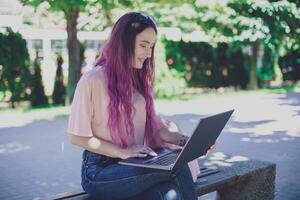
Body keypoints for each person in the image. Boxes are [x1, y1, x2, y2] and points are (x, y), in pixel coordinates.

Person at [67, 12, 209, 200]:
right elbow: (77, 137)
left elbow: (156, 128)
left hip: (136, 163)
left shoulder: (139, 80)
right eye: (143, 45)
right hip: (100, 172)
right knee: (178, 168)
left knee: (170, 195)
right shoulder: (92, 80)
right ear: (123, 43)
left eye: (151, 47)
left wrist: (188, 142)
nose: (148, 54)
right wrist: (121, 152)